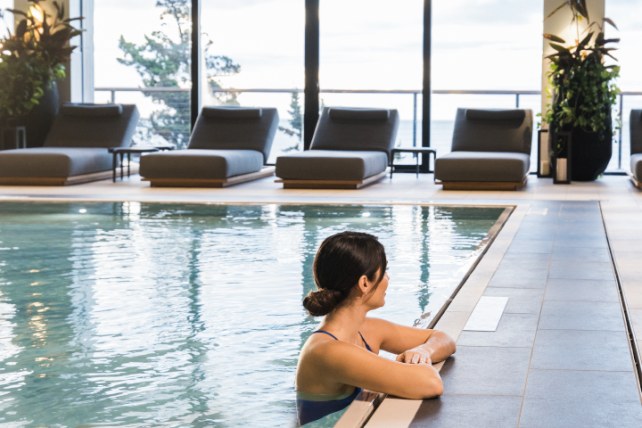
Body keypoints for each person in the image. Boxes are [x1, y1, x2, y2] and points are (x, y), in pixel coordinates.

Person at [295, 231, 457, 426]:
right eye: (384, 271)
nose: (388, 278)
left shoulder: (368, 329)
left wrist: (423, 350)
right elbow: (431, 383)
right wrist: (418, 364)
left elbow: (443, 339)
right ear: (364, 283)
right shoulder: (327, 350)